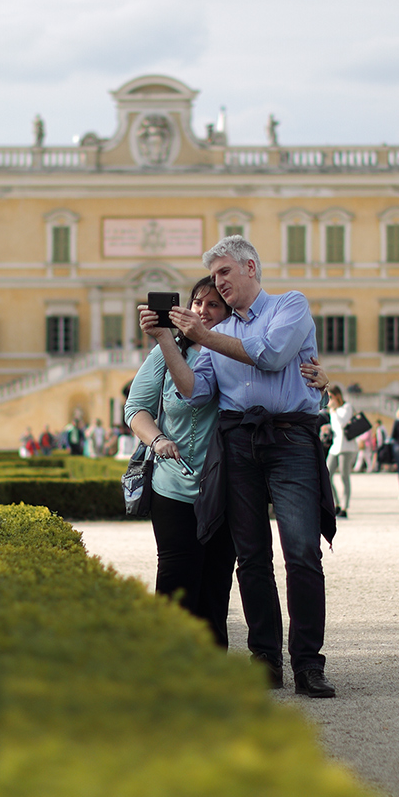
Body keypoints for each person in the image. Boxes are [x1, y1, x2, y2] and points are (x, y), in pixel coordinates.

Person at [160, 235, 338, 699]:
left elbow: (272, 354)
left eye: (224, 272)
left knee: (302, 552)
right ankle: (265, 660)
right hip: (238, 441)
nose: (218, 282)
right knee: (252, 557)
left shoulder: (289, 306)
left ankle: (308, 664)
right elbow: (194, 391)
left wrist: (204, 336)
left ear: (251, 267)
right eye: (214, 275)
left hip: (291, 438)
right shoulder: (216, 333)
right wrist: (166, 341)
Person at [127, 277, 240, 647]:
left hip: (226, 488)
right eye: (197, 303)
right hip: (174, 485)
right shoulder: (167, 352)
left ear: (229, 313)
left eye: (214, 305)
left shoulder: (238, 354)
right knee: (176, 582)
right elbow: (136, 408)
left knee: (215, 586)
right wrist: (157, 439)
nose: (203, 311)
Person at [323, 387, 358, 518]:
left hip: (346, 448)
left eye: (331, 397)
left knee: (344, 476)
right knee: (327, 475)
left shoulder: (346, 407)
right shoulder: (334, 411)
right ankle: (336, 504)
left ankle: (345, 507)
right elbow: (335, 428)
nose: (330, 400)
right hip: (335, 447)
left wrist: (333, 410)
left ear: (338, 396)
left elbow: (342, 424)